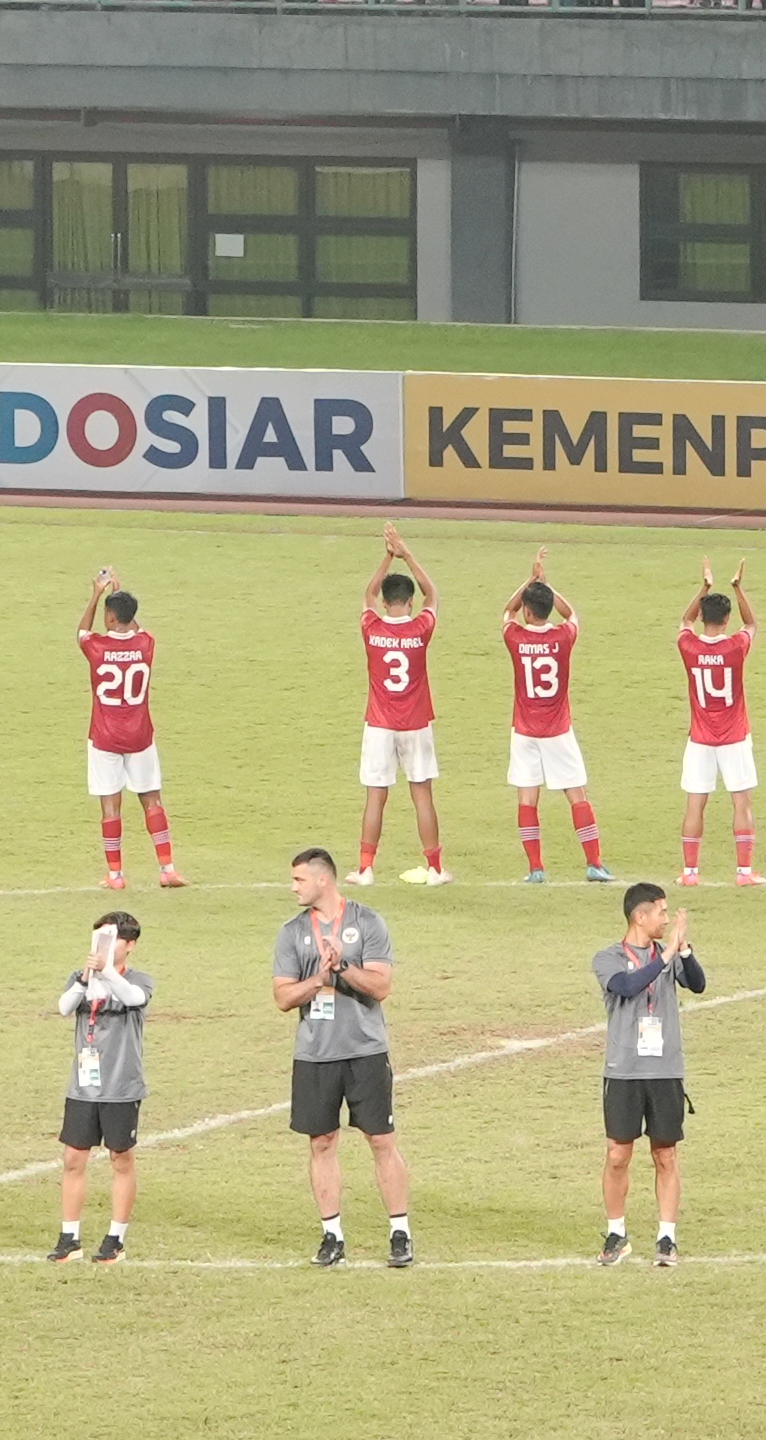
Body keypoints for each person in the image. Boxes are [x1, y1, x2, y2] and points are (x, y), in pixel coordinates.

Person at [273, 847, 413, 1266]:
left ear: (323, 880)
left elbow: (381, 986)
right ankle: (331, 1236)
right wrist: (318, 978)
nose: (293, 887)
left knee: (382, 1139)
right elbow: (282, 997)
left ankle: (400, 1232)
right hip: (315, 1054)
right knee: (321, 1142)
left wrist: (342, 968)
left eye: (299, 879)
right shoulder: (291, 932)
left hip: (365, 1049)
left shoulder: (367, 922)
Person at [595, 880, 705, 1264]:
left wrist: (683, 950)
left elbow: (698, 984)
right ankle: (616, 1234)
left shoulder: (670, 954)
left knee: (666, 1155)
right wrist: (667, 955)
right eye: (661, 912)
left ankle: (666, 1238)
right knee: (617, 1155)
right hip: (623, 1071)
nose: (666, 919)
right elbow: (627, 986)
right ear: (640, 917)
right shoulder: (608, 958)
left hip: (665, 1069)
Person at [502, 556, 611, 883]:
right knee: (576, 794)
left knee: (527, 798)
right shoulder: (564, 637)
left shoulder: (515, 638)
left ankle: (535, 869)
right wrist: (546, 585)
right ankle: (594, 864)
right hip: (558, 731)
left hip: (524, 731)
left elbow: (507, 612)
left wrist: (530, 581)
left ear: (527, 611)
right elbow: (571, 614)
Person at [53, 910, 151, 1262]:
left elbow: (133, 998)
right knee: (73, 1157)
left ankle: (116, 1238)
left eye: (110, 940)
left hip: (121, 1086)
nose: (102, 946)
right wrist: (85, 978)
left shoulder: (138, 980)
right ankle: (69, 1237)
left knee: (120, 1158)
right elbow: (64, 1007)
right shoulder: (82, 978)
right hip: (83, 1085)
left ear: (130, 945)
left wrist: (106, 971)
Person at [353, 526, 448, 887]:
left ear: (385, 602)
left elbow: (367, 593)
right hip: (416, 724)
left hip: (379, 724)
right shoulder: (421, 628)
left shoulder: (371, 627)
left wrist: (387, 556)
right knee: (422, 796)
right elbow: (432, 594)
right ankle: (435, 869)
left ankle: (365, 869)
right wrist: (407, 554)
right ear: (409, 602)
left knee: (375, 797)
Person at [77, 571, 180, 891]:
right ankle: (167, 870)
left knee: (111, 806)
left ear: (109, 617)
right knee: (152, 800)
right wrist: (120, 598)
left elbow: (81, 631)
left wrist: (97, 594)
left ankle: (116, 876)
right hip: (140, 736)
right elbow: (135, 627)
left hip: (105, 737)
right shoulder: (146, 644)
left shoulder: (96, 646)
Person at [674, 563, 762, 887]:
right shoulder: (736, 646)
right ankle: (744, 872)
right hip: (734, 737)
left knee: (695, 804)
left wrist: (704, 588)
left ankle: (690, 873)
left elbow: (684, 622)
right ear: (726, 620)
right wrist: (738, 587)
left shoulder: (689, 646)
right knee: (741, 803)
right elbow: (751, 623)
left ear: (702, 616)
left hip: (700, 739)